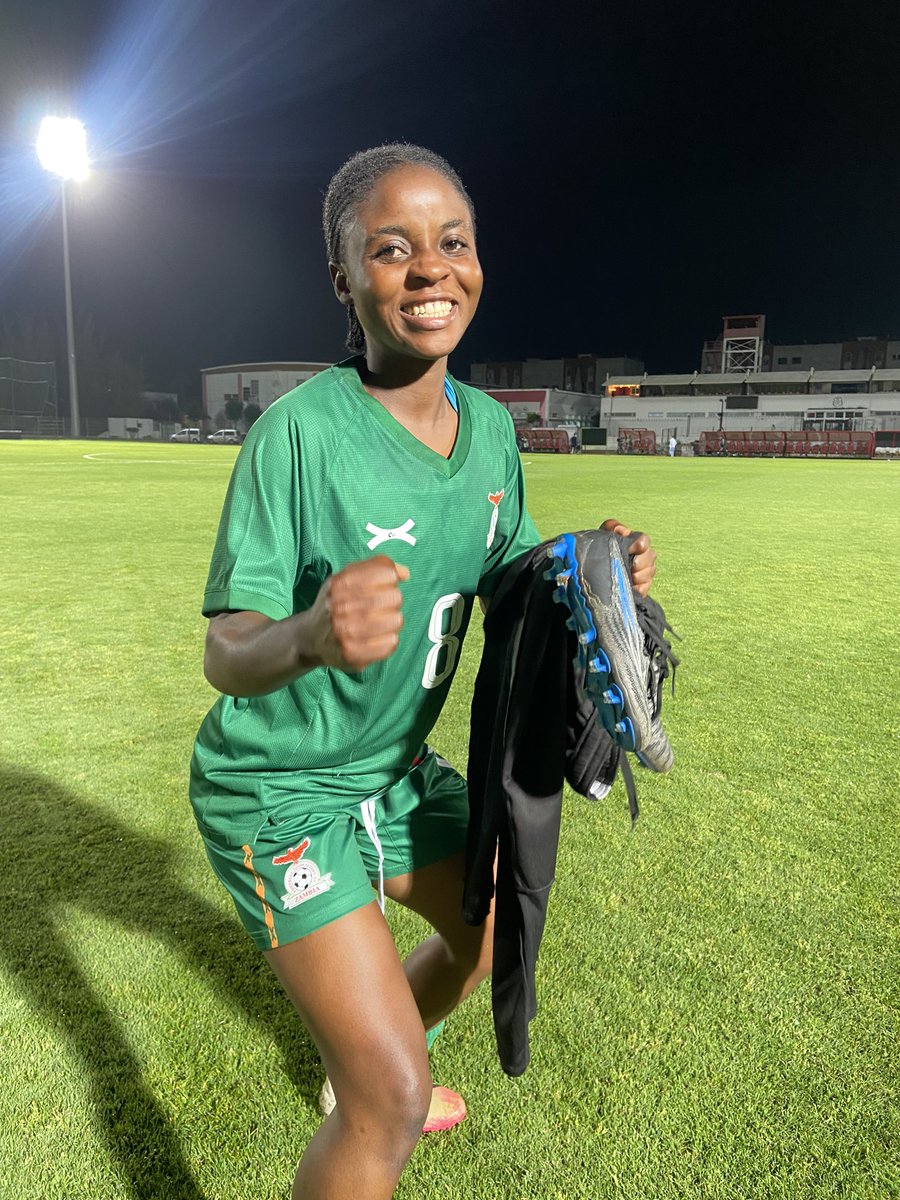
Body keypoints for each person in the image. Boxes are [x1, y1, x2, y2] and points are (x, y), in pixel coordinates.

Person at [189, 143, 657, 1200]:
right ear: (345, 278)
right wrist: (308, 633)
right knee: (394, 1102)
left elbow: (511, 576)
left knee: (489, 924)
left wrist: (591, 567)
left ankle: (362, 1059)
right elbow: (226, 649)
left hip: (390, 774)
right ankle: (374, 1082)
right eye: (392, 250)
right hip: (278, 794)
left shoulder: (490, 430)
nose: (431, 270)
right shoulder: (296, 436)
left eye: (453, 243)